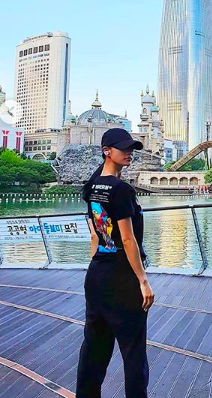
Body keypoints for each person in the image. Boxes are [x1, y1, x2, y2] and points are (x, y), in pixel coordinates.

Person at [76, 128, 154, 398]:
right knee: (133, 354)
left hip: (97, 276)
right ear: (106, 151)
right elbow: (128, 240)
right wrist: (143, 281)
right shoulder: (121, 190)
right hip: (123, 280)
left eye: (131, 148)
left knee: (93, 351)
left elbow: (94, 237)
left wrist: (96, 269)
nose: (129, 153)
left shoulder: (92, 186)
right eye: (123, 148)